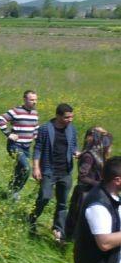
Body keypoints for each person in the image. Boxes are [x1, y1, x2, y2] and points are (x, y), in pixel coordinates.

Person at [30, 103, 79, 240]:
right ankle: (32, 218)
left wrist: (75, 152)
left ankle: (58, 229)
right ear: (58, 116)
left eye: (72, 117)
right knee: (44, 197)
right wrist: (36, 167)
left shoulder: (72, 129)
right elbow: (38, 148)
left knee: (63, 202)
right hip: (49, 170)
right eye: (67, 117)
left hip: (65, 171)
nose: (70, 119)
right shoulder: (45, 129)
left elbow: (74, 145)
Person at [65, 128, 113, 241]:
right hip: (84, 193)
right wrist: (101, 184)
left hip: (93, 192)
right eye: (109, 146)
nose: (111, 149)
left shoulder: (100, 156)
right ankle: (68, 244)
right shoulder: (89, 156)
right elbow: (82, 177)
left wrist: (104, 131)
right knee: (78, 221)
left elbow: (108, 136)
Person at [0, 90, 39, 200]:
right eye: (31, 100)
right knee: (26, 168)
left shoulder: (34, 113)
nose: (34, 102)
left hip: (27, 147)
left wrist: (36, 136)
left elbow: (35, 128)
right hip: (15, 145)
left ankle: (11, 191)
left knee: (19, 170)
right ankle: (15, 192)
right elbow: (0, 119)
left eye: (35, 100)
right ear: (24, 99)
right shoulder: (16, 111)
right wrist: (8, 134)